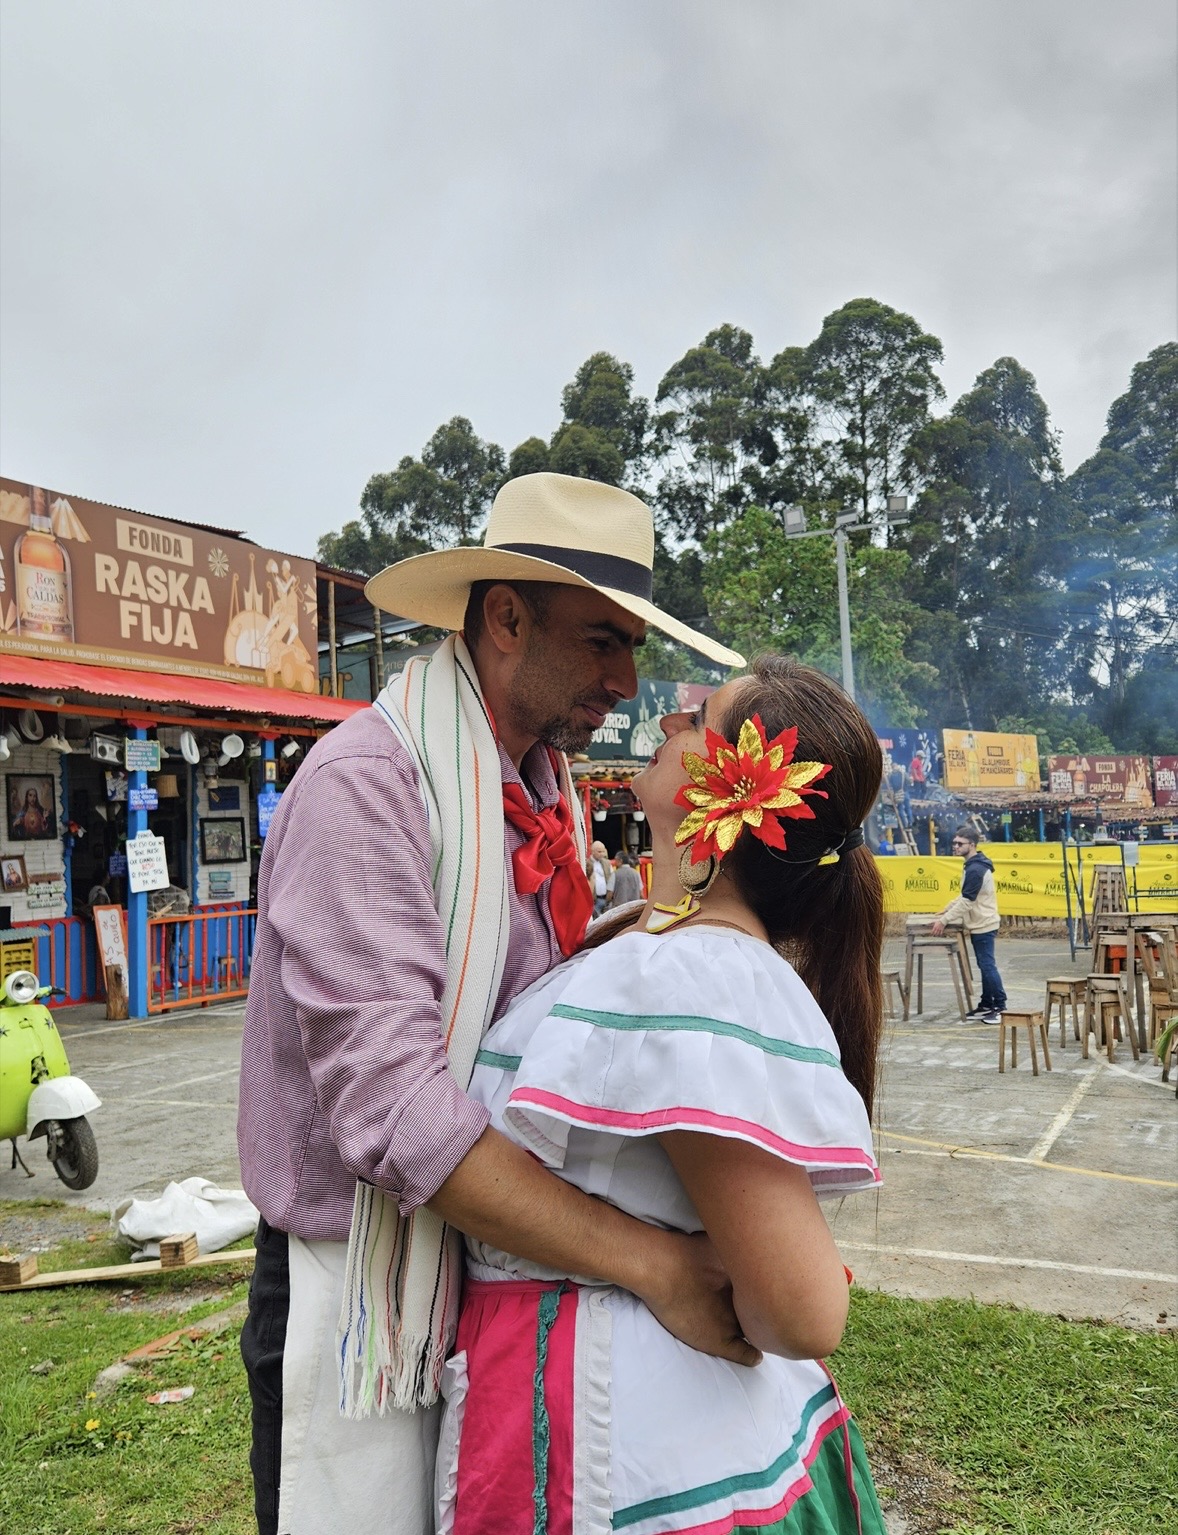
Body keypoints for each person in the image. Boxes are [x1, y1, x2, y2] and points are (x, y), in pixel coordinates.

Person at [236, 472, 746, 1535]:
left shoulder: (540, 789)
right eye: (602, 641)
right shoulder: (369, 787)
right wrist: (653, 1261)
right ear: (506, 618)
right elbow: (400, 1116)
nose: (626, 679)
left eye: (631, 645)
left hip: (485, 1258)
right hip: (358, 1277)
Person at [435, 656, 888, 1534]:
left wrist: (696, 1271)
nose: (671, 722)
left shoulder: (694, 976)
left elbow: (804, 1309)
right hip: (599, 1411)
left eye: (700, 720)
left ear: (737, 797)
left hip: (626, 1443)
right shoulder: (652, 951)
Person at [931, 826, 1007, 1022]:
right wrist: (947, 909)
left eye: (960, 843)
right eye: (954, 843)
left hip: (984, 924)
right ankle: (986, 1005)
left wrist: (943, 921)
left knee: (987, 966)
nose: (955, 846)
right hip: (981, 923)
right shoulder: (973, 865)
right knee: (984, 966)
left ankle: (1000, 1007)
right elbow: (965, 895)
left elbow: (967, 901)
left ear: (972, 845)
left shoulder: (975, 869)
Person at [586, 840, 614, 916]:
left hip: (606, 899)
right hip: (595, 900)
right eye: (599, 852)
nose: (602, 854)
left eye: (603, 851)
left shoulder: (607, 863)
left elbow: (612, 880)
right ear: (592, 851)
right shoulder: (587, 863)